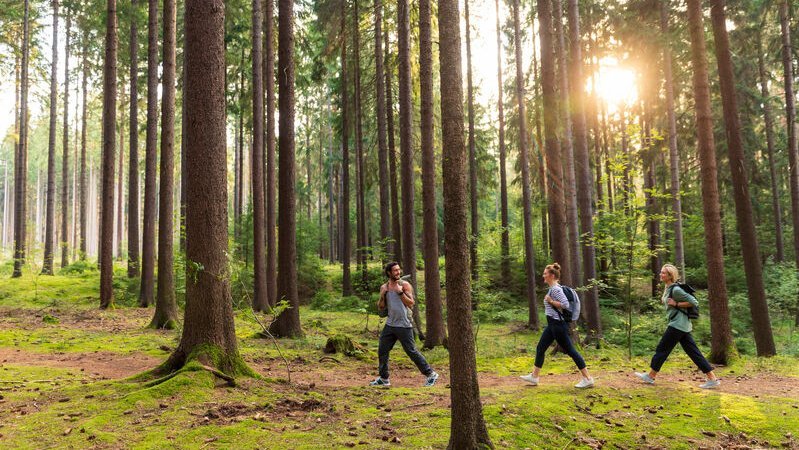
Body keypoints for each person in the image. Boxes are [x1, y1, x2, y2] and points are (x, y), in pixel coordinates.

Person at [635, 264, 720, 389]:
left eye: (663, 273)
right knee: (693, 352)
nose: (660, 274)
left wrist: (676, 304)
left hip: (678, 325)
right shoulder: (668, 288)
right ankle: (712, 378)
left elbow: (694, 302)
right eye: (661, 272)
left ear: (670, 276)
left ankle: (651, 376)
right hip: (681, 325)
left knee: (662, 349)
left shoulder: (676, 290)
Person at [520, 262, 595, 388]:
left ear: (552, 276)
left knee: (571, 351)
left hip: (558, 325)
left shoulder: (555, 289)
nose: (543, 276)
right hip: (552, 325)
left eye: (545, 274)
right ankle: (534, 377)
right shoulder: (553, 288)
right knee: (540, 348)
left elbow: (565, 305)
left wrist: (551, 301)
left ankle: (588, 378)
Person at [370, 262, 439, 387]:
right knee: (382, 350)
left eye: (399, 270)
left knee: (411, 351)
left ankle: (431, 374)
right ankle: (384, 378)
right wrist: (382, 294)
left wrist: (400, 292)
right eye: (395, 270)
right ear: (389, 273)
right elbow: (381, 306)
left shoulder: (405, 285)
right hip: (390, 324)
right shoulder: (384, 287)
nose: (398, 272)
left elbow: (411, 303)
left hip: (404, 325)